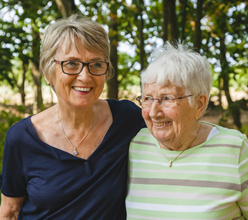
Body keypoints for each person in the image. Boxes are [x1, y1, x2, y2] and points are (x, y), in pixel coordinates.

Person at [0, 14, 145, 219]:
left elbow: (177, 132)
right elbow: (10, 212)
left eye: (96, 64)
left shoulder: (127, 118)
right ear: (49, 72)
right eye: (71, 64)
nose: (85, 77)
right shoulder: (21, 138)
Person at [126, 42, 248, 219]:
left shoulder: (235, 150)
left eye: (167, 98)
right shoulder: (135, 145)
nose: (153, 112)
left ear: (199, 104)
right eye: (147, 98)